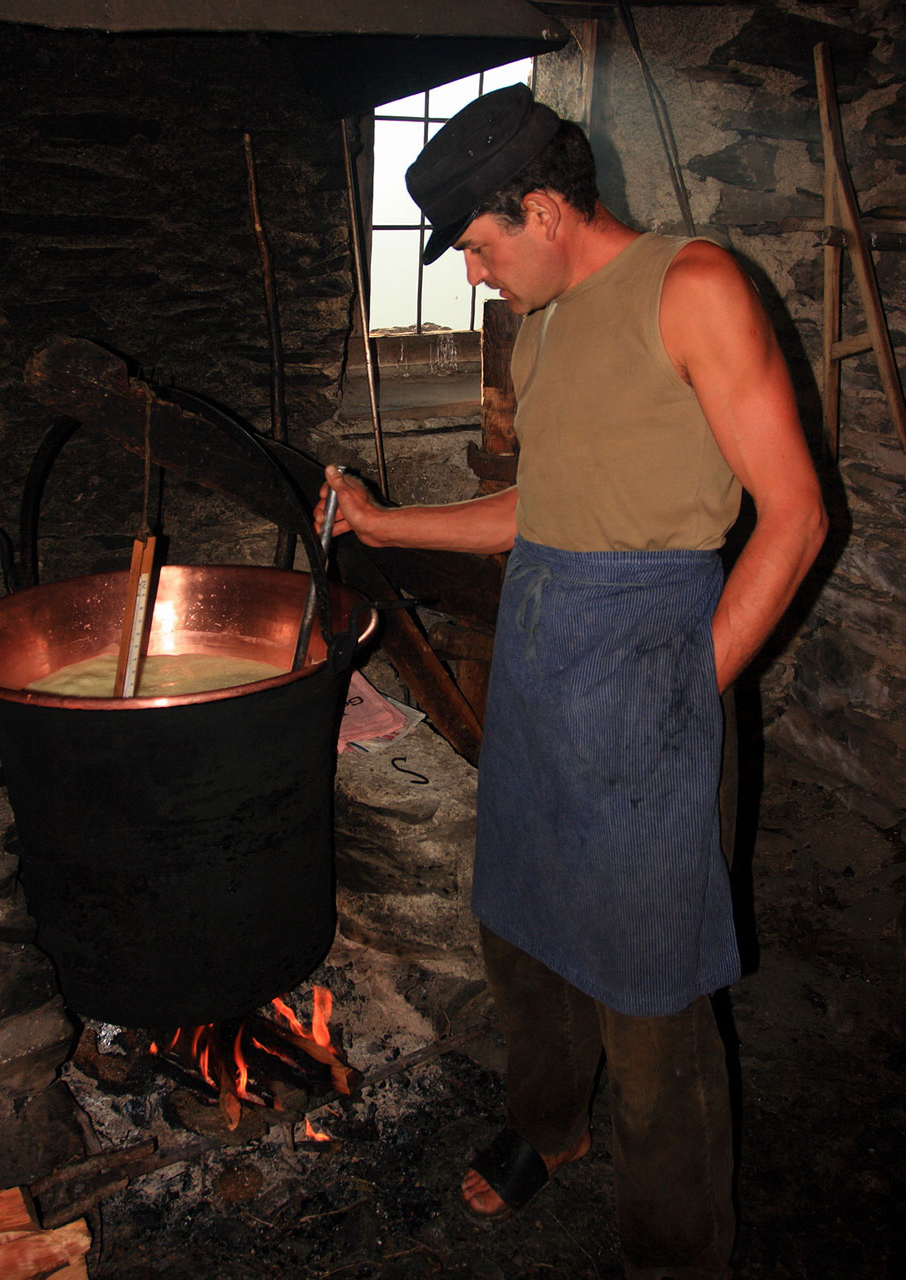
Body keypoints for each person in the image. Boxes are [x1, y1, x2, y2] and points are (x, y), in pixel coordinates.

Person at [316, 85, 827, 1279]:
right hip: (544, 660)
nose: (474, 273)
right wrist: (387, 524)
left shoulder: (692, 286)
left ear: (541, 210)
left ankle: (674, 1246)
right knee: (520, 929)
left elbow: (797, 515)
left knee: (649, 995)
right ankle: (549, 1122)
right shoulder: (540, 324)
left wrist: (688, 687)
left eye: (478, 246)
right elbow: (534, 512)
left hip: (653, 661)